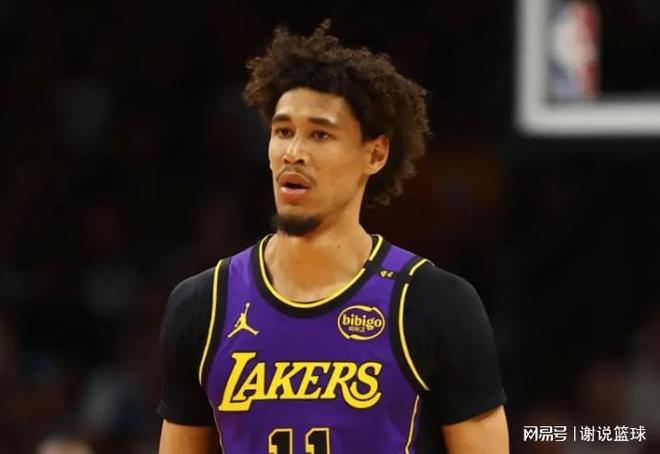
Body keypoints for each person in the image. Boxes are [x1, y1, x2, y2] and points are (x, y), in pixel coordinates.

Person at [157, 20, 509, 454]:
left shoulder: (435, 303)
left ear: (375, 153)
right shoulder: (203, 305)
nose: (293, 152)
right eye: (283, 131)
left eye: (320, 134)